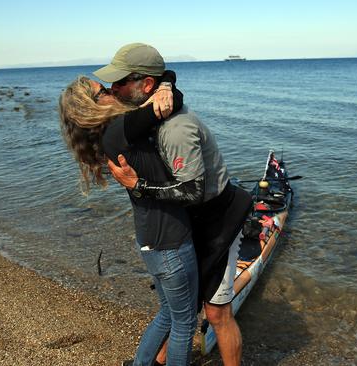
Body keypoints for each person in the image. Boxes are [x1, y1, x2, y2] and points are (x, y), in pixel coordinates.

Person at [97, 43, 252, 366]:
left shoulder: (176, 129)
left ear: (146, 85)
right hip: (188, 221)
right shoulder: (146, 111)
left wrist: (138, 186)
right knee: (182, 307)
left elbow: (192, 191)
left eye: (121, 81)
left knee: (217, 311)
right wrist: (168, 82)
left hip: (219, 218)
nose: (113, 88)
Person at [59, 66, 198, 365]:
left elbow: (166, 91)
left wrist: (163, 84)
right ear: (91, 105)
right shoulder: (122, 128)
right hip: (171, 240)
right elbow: (169, 100)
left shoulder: (112, 134)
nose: (112, 90)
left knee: (166, 313)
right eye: (104, 91)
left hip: (150, 240)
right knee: (184, 323)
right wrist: (165, 85)